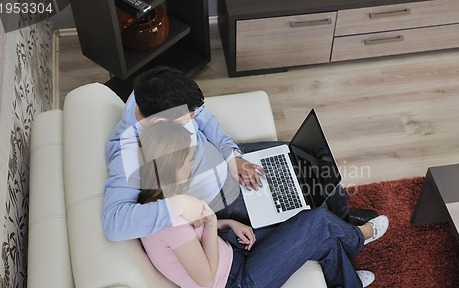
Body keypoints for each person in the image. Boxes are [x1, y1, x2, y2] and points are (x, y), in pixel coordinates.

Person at [103, 66, 377, 242]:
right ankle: (347, 237)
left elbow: (207, 121)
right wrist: (180, 205)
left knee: (311, 157)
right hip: (224, 197)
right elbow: (114, 223)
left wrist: (232, 156)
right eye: (188, 116)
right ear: (162, 124)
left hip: (228, 162)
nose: (194, 117)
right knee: (300, 206)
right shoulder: (127, 152)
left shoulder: (153, 95)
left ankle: (343, 216)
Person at [137, 121, 389, 288]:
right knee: (316, 221)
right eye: (189, 160)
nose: (194, 164)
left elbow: (196, 231)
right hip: (234, 284)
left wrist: (229, 223)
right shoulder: (170, 223)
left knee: (305, 222)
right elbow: (205, 278)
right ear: (171, 166)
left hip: (229, 247)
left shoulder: (163, 199)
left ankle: (341, 284)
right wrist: (213, 222)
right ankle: (358, 236)